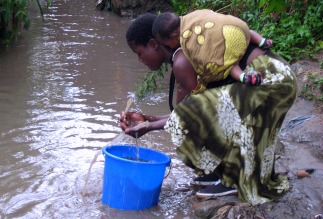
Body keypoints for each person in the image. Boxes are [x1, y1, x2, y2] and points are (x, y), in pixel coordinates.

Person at [120, 13, 297, 205]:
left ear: (154, 44)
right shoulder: (184, 53)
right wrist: (149, 119)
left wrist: (149, 126)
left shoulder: (182, 60)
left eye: (139, 53)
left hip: (272, 81)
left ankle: (233, 181)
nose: (140, 59)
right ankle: (225, 174)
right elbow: (188, 111)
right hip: (273, 79)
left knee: (192, 120)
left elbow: (192, 114)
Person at [152, 10, 273, 93]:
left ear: (173, 36)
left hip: (231, 46)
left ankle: (243, 77)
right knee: (247, 31)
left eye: (167, 44)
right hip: (240, 30)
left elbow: (204, 61)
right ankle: (262, 41)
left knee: (229, 65)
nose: (169, 47)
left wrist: (204, 80)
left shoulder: (187, 44)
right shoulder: (193, 15)